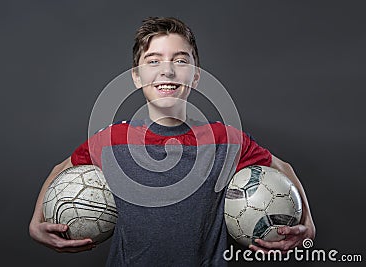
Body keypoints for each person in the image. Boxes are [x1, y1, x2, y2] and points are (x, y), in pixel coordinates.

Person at [29, 16, 316, 266]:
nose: (167, 71)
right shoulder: (112, 140)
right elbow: (61, 168)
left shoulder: (223, 140)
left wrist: (308, 229)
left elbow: (283, 167)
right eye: (153, 61)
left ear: (196, 76)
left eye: (180, 61)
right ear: (137, 77)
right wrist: (35, 224)